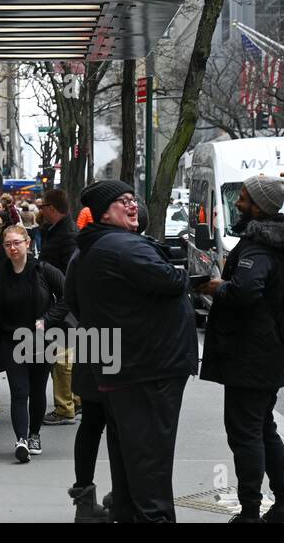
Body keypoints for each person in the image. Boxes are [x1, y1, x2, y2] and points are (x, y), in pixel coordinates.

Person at [69, 180, 196, 522]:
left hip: (128, 369)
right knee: (150, 462)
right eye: (121, 202)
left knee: (130, 457)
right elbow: (170, 279)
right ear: (103, 214)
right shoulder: (122, 246)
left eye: (132, 200)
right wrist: (183, 274)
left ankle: (126, 513)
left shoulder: (98, 247)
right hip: (148, 370)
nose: (131, 206)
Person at [201, 175, 284, 524]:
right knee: (263, 427)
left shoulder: (258, 248)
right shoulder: (279, 244)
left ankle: (250, 511)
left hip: (250, 356)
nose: (238, 204)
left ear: (260, 207)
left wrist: (217, 286)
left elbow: (246, 291)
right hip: (267, 354)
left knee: (245, 432)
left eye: (244, 198)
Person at [0, 225, 67, 463]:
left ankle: (34, 434)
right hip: (11, 341)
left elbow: (68, 297)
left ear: (27, 243)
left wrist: (47, 319)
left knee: (38, 390)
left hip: (41, 341)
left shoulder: (43, 270)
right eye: (8, 244)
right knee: (19, 391)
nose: (12, 248)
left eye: (17, 243)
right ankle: (21, 439)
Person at [38, 189, 80, 427]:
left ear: (51, 209)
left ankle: (65, 407)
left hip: (64, 302)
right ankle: (74, 400)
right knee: (67, 353)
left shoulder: (66, 235)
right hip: (65, 300)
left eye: (43, 206)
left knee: (62, 355)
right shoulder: (61, 231)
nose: (40, 210)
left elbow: (68, 273)